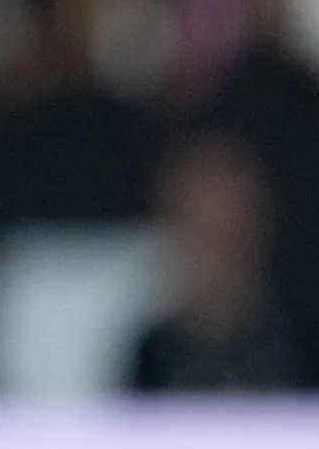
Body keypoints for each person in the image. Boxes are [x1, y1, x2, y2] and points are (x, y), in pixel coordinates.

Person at [125, 130, 298, 391]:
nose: (223, 230)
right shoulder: (151, 353)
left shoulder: (304, 342)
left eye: (236, 213)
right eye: (207, 225)